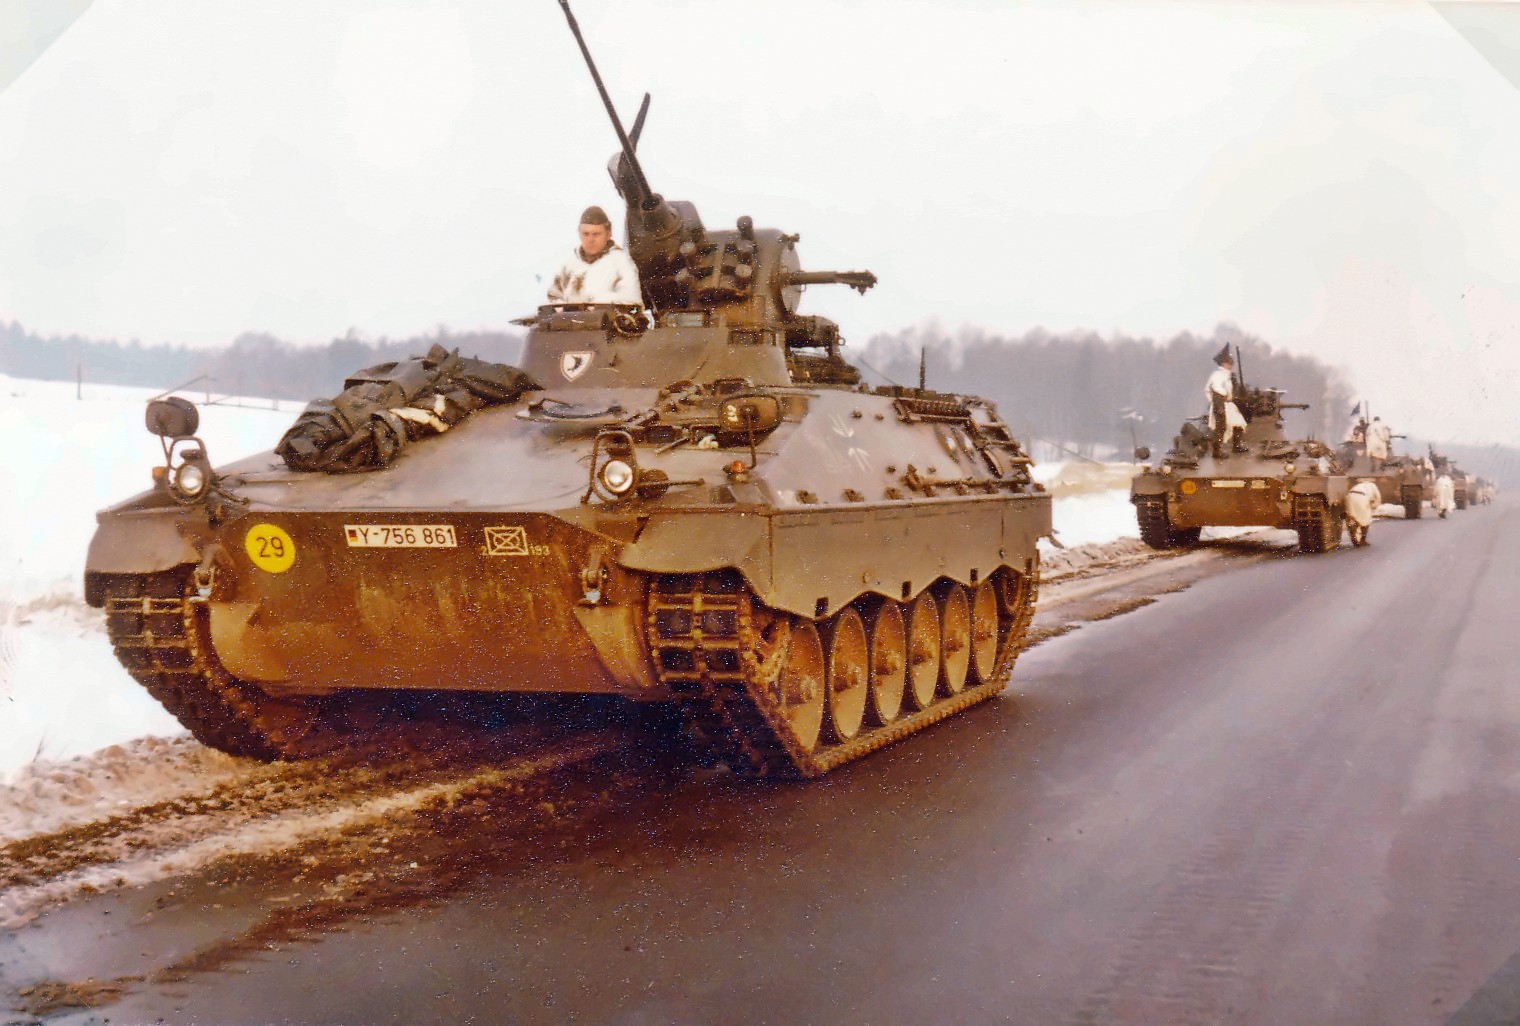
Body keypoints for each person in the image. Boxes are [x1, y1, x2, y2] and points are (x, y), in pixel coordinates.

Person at [547, 205, 642, 305]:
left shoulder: (621, 262)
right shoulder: (569, 266)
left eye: (596, 234)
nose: (590, 240)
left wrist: (590, 301)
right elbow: (553, 298)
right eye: (586, 234)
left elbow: (632, 299)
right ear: (579, 233)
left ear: (608, 234)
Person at [1205, 345, 1247, 459]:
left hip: (1228, 404)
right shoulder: (1217, 376)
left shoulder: (1227, 375)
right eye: (1229, 363)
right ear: (1224, 363)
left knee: (1239, 423)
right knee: (1221, 427)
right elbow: (1216, 391)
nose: (1231, 365)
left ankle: (1237, 445)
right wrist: (1219, 406)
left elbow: (1232, 391)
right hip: (1220, 403)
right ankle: (1217, 451)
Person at [1345, 478, 1383, 546]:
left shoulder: (1359, 486)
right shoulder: (1373, 486)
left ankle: (1354, 538)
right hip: (1361, 497)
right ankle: (1362, 540)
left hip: (1350, 496)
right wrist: (1374, 506)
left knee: (1352, 517)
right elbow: (1378, 497)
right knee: (1365, 520)